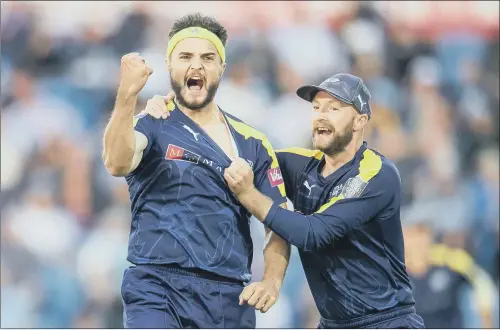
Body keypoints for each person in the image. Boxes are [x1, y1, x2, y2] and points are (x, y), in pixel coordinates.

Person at [102, 13, 290, 328]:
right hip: (157, 285)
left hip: (228, 296)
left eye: (207, 57)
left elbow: (279, 222)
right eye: (185, 56)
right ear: (169, 65)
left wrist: (271, 282)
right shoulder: (152, 122)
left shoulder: (253, 142)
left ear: (222, 68)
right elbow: (116, 162)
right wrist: (127, 96)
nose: (196, 66)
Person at [222, 73, 425, 328]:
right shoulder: (300, 164)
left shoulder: (376, 173)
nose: (320, 114)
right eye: (316, 107)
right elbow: (236, 150)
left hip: (385, 322)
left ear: (360, 121)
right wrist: (176, 109)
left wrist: (248, 195)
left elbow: (313, 233)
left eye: (333, 108)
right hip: (333, 323)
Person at [403, 220, 496, 328]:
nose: (416, 244)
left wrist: (487, 319)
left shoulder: (450, 260)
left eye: (420, 237)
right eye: (411, 237)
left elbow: (482, 281)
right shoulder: (393, 273)